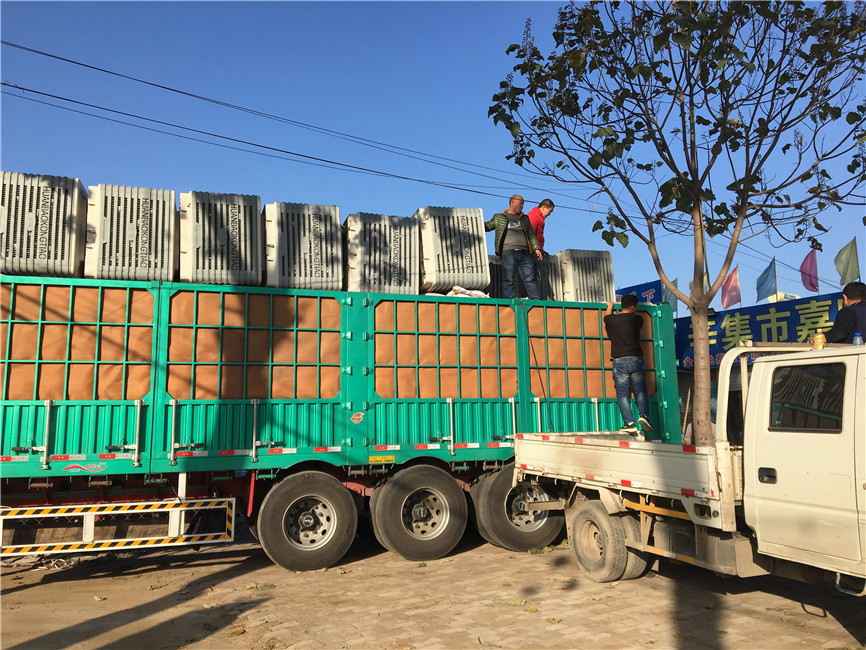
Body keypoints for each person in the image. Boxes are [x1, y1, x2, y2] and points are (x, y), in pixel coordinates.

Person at [603, 295, 654, 439]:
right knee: (641, 390)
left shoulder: (612, 320)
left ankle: (629, 423)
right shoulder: (638, 320)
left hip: (619, 360)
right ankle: (644, 416)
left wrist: (610, 306)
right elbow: (632, 316)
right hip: (636, 358)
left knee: (622, 393)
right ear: (633, 307)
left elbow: (607, 317)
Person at [485, 195, 543, 299]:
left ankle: (535, 300)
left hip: (524, 253)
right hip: (508, 252)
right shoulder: (499, 217)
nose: (522, 206)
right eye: (521, 203)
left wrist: (536, 248)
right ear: (512, 203)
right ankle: (509, 302)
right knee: (508, 279)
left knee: (530, 278)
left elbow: (531, 235)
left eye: (523, 204)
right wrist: (475, 221)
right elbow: (488, 226)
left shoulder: (524, 218)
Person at [526, 199, 555, 299]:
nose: (549, 214)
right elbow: (530, 234)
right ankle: (532, 299)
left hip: (536, 251)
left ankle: (533, 297)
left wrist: (542, 250)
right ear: (544, 207)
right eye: (550, 211)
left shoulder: (537, 216)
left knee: (535, 277)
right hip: (531, 252)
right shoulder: (534, 216)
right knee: (532, 277)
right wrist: (534, 250)